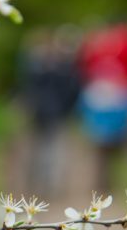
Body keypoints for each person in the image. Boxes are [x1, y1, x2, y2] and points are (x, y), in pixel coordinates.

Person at [78, 22, 127, 193]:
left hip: (99, 98)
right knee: (122, 139)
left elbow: (83, 66)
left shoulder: (96, 42)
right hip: (122, 97)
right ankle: (120, 180)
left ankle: (104, 180)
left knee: (101, 141)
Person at [15, 27, 81, 194]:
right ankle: (47, 184)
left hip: (44, 112)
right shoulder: (61, 68)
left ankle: (43, 183)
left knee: (44, 148)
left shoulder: (35, 67)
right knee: (49, 148)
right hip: (52, 112)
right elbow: (71, 90)